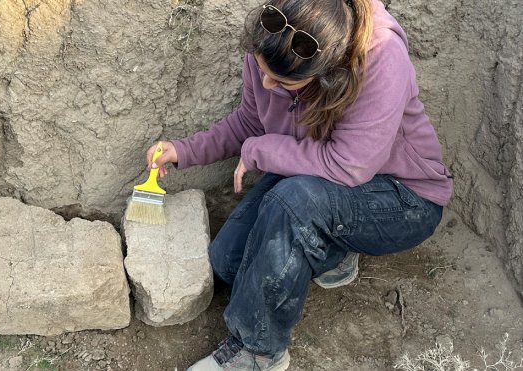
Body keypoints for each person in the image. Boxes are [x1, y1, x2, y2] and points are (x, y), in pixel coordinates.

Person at [145, 0, 453, 369]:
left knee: (292, 203)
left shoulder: (381, 59)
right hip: (318, 178)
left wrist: (261, 151)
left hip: (401, 198)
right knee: (228, 262)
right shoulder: (274, 40)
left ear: (329, 73)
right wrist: (183, 151)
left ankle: (258, 351)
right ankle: (331, 249)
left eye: (284, 83)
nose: (267, 84)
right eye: (262, 71)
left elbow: (349, 165)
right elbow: (250, 122)